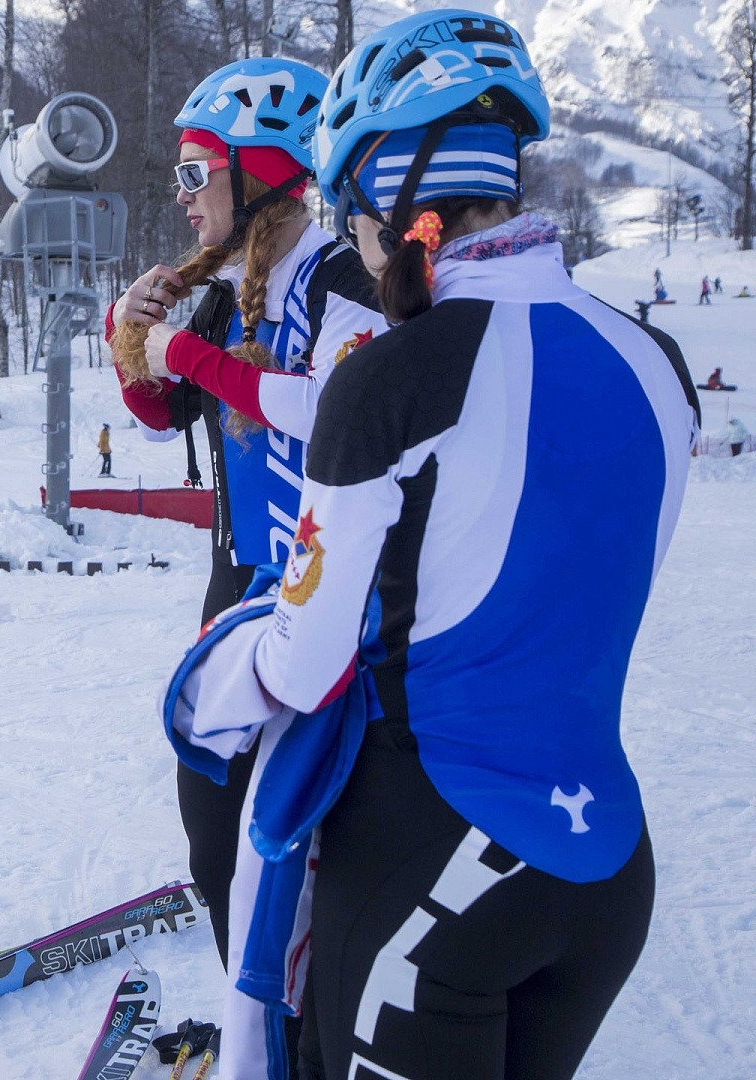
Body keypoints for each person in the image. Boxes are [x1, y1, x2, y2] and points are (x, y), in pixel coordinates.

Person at [276, 11, 699, 1076]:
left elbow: (302, 661)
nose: (353, 245)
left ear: (390, 198)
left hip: (431, 864)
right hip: (603, 869)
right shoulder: (654, 361)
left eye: (348, 212)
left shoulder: (390, 376)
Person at [105, 55, 388, 972]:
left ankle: (313, 1034)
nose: (184, 197)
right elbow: (159, 423)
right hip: (241, 589)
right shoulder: (230, 291)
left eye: (195, 173)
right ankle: (256, 1021)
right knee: (214, 824)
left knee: (327, 830)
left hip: (339, 592)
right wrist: (131, 342)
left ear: (259, 168)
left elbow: (327, 409)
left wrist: (183, 350)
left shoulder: (344, 278)